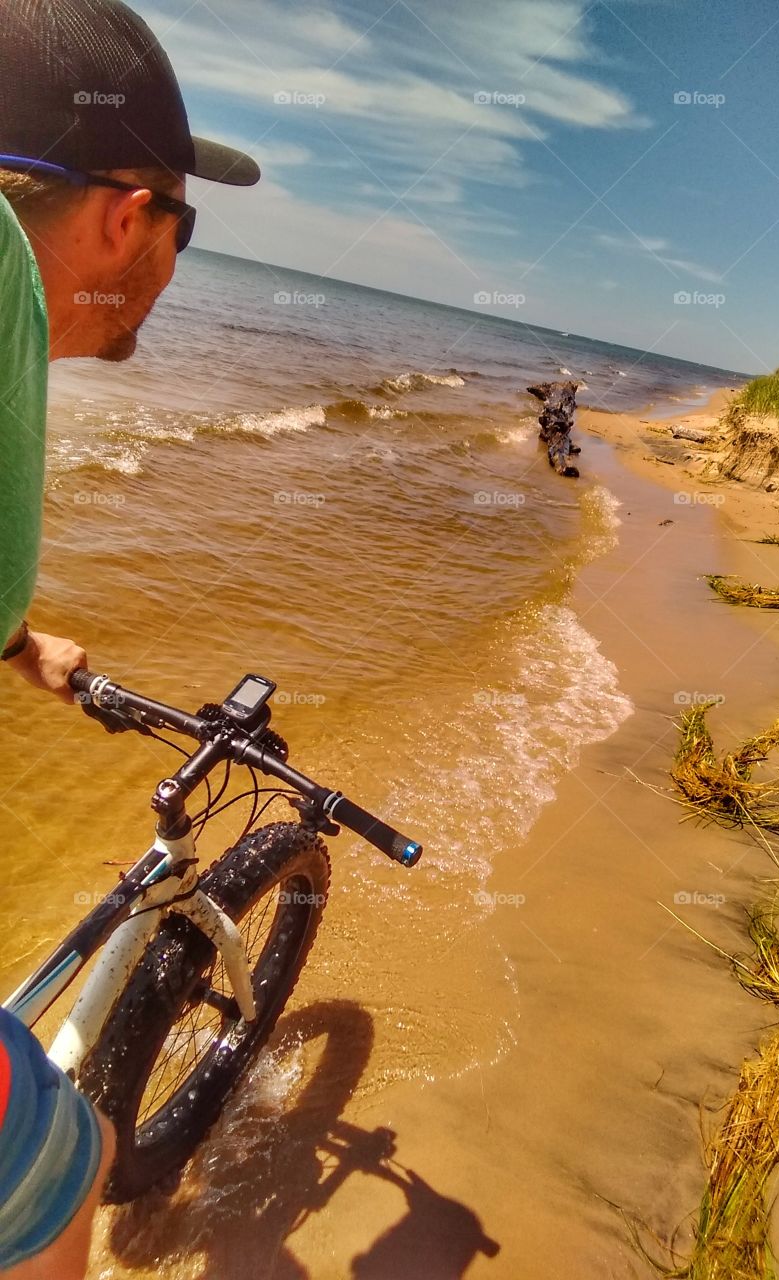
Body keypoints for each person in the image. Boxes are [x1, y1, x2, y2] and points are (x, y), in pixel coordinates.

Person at [0, 1, 260, 1273]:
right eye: (180, 220)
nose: (172, 256)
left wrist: (15, 640)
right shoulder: (3, 282)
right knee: (66, 1173)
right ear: (124, 212)